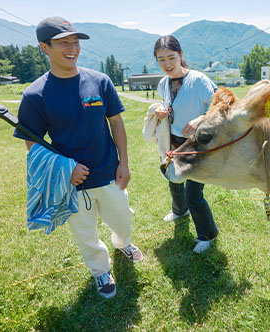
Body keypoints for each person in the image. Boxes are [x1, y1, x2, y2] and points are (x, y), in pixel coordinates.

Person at [13, 16, 143, 299]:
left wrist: (124, 162)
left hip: (109, 172)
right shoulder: (35, 94)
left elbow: (116, 123)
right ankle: (100, 271)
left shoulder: (100, 81)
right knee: (86, 233)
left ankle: (123, 243)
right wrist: (64, 170)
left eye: (75, 42)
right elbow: (32, 144)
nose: (72, 48)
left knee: (123, 219)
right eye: (63, 43)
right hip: (73, 183)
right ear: (44, 47)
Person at [153, 35, 219, 253]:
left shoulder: (199, 80)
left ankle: (207, 235)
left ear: (181, 56)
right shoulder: (163, 83)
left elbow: (223, 105)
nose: (167, 64)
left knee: (193, 193)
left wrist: (201, 118)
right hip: (174, 143)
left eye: (171, 58)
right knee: (174, 182)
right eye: (161, 60)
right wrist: (161, 112)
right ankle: (179, 211)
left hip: (198, 145)